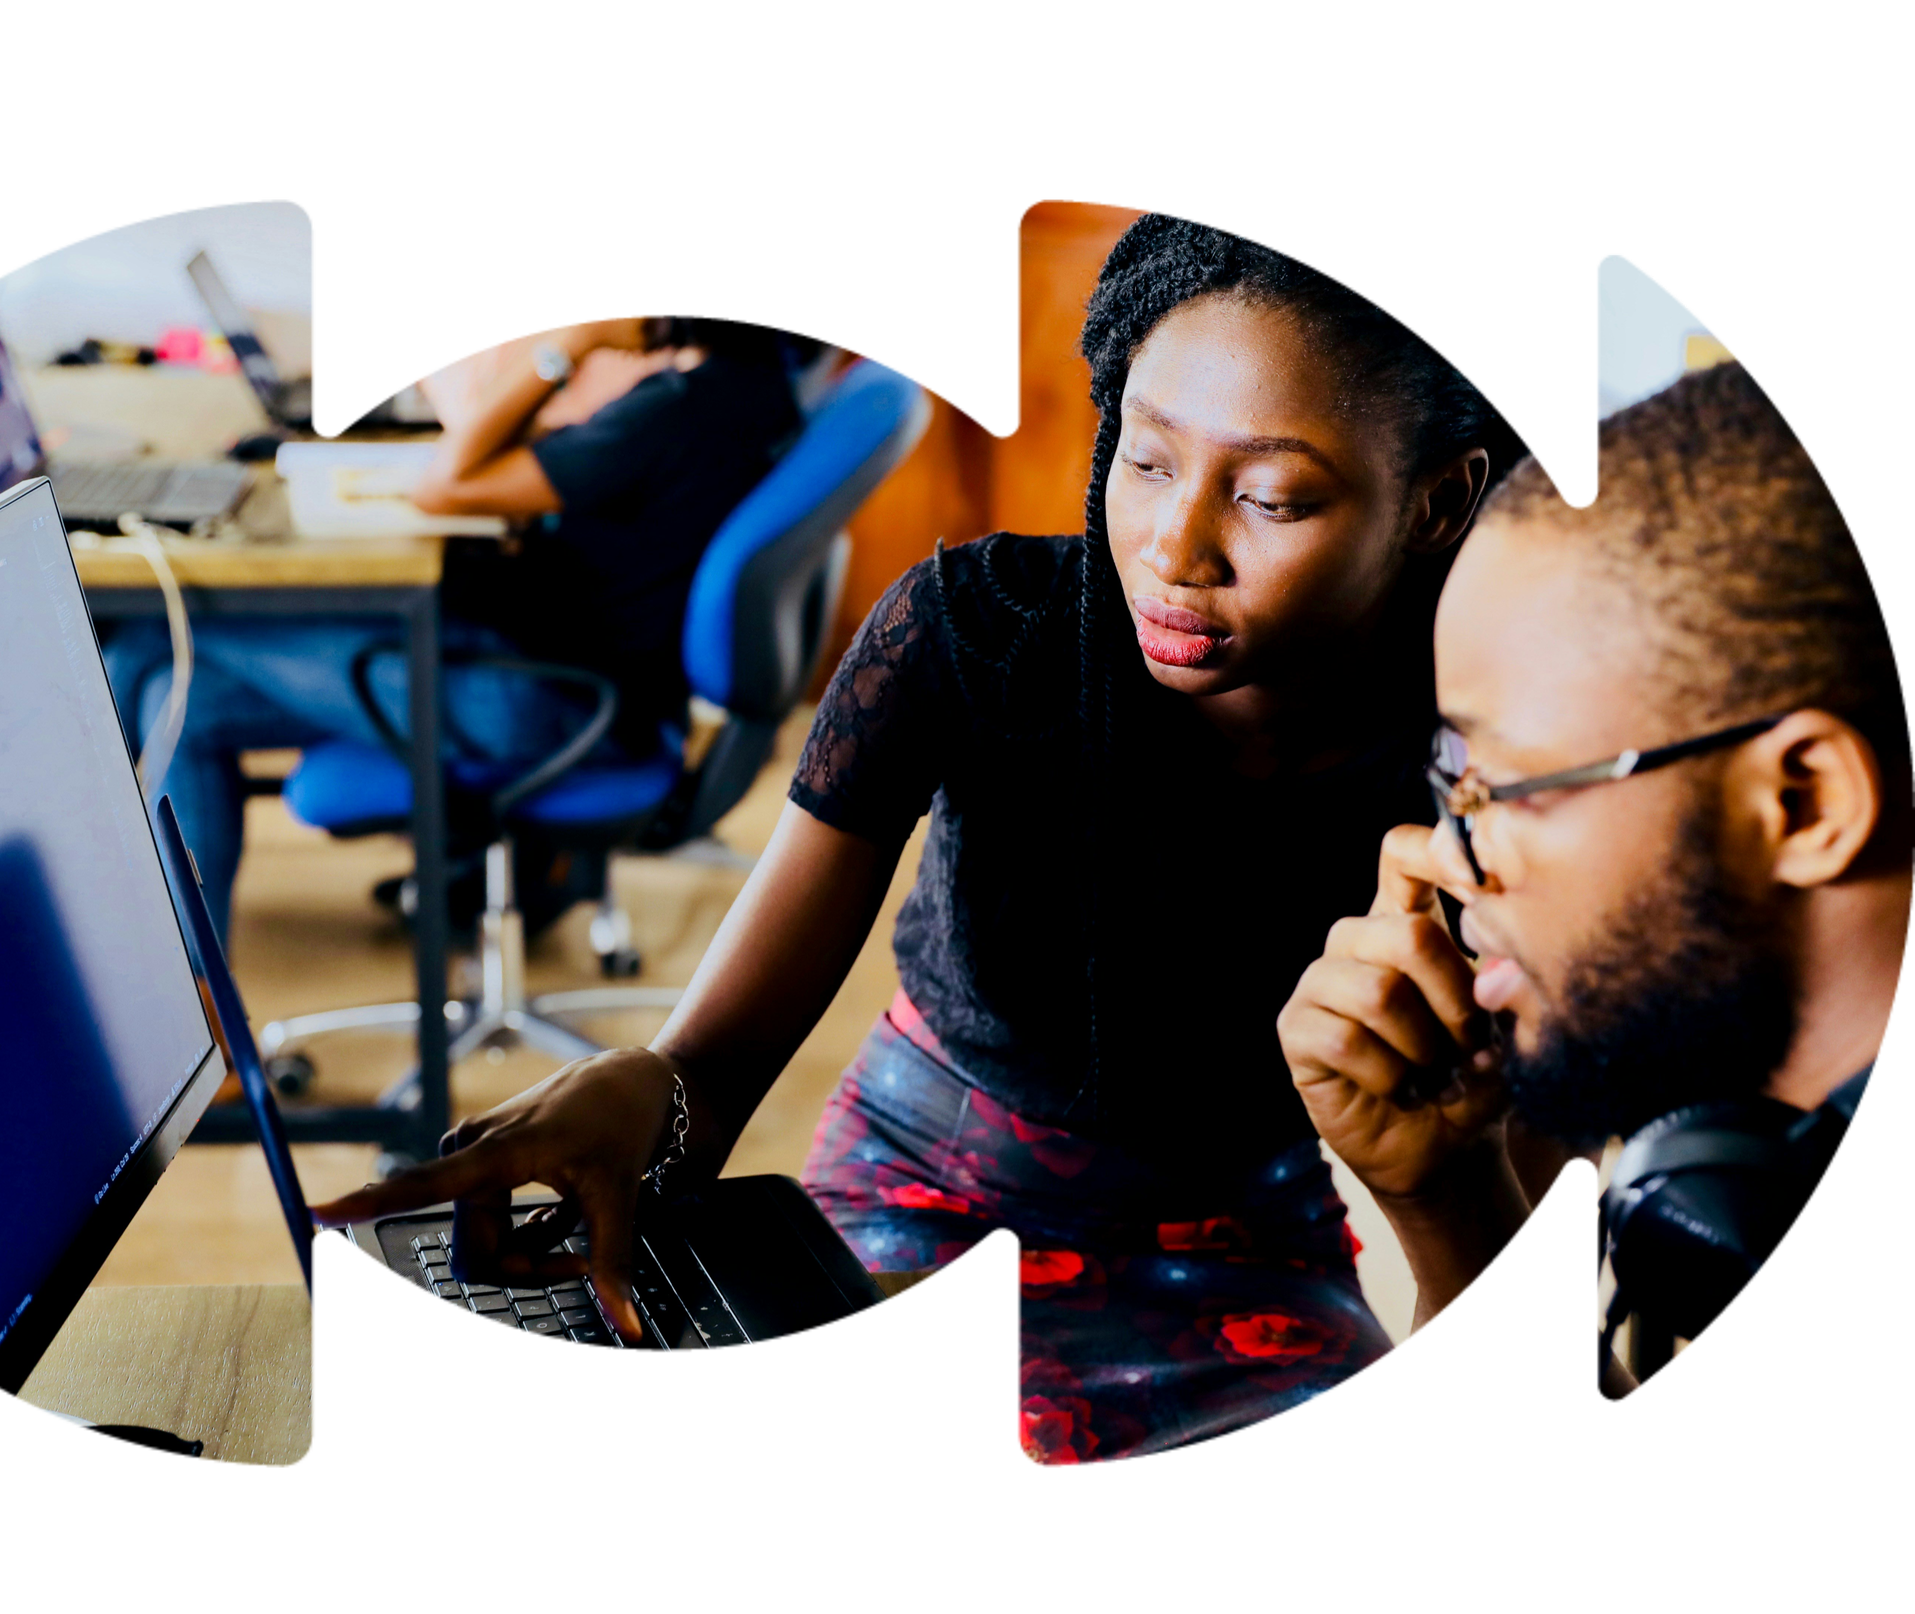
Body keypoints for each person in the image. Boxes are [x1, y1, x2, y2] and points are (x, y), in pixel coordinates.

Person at [312, 216, 1529, 1469]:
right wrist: (650, 1091)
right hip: (926, 1203)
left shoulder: (1503, 770)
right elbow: (710, 1069)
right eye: (1146, 461)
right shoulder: (974, 636)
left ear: (1437, 501)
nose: (1173, 550)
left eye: (1270, 496)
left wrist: (1441, 1181)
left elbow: (1509, 1309)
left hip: (1259, 1251)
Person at [1277, 360, 1911, 1404]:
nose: (1435, 851)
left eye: (1503, 783)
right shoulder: (1742, 1158)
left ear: (1803, 803)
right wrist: (1451, 1207)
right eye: (1448, 777)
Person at [101, 313, 804, 948]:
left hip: (538, 699)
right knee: (176, 698)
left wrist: (573, 343)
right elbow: (540, 455)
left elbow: (448, 482)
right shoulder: (755, 390)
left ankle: (112, 935)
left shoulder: (671, 415)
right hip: (564, 677)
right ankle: (205, 1017)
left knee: (148, 640)